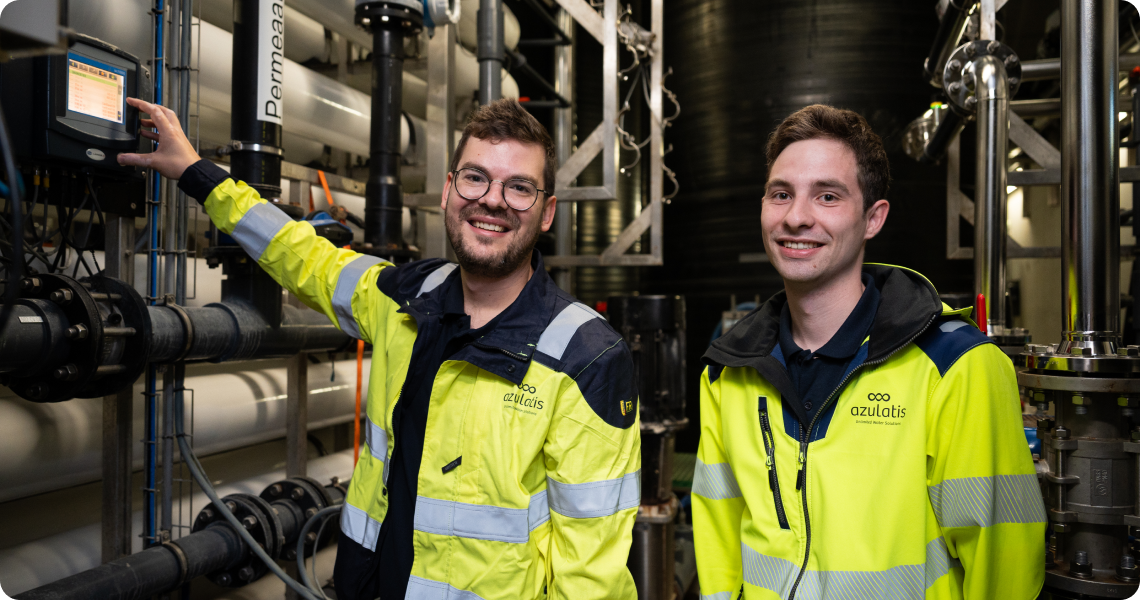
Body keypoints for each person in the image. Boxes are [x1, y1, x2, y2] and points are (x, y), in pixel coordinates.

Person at [119, 97, 641, 600]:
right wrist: (196, 172)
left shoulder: (587, 357)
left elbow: (591, 574)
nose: (492, 200)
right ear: (448, 190)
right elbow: (304, 257)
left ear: (547, 213)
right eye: (476, 177)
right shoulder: (401, 298)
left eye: (519, 187)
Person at [691, 104, 1045, 599]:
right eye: (781, 194)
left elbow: (1002, 566)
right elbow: (718, 543)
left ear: (873, 219)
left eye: (828, 196)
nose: (796, 217)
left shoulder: (955, 367)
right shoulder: (729, 372)